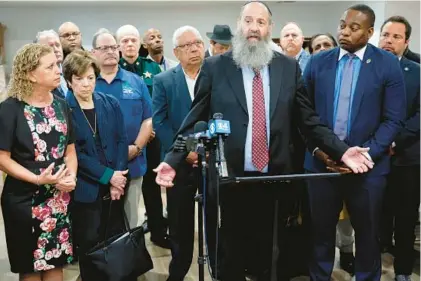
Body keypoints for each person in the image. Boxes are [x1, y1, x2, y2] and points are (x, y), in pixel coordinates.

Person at [154, 1, 374, 280]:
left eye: (260, 22)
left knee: (268, 255)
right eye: (248, 21)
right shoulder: (215, 68)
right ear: (239, 25)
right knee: (231, 254)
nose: (254, 28)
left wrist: (341, 152)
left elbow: (308, 122)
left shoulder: (288, 68)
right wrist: (172, 161)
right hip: (231, 181)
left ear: (270, 28)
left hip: (275, 180)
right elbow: (192, 122)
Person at [303, 4, 406, 281]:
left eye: (354, 27)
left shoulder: (387, 65)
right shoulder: (317, 62)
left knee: (368, 236)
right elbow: (304, 114)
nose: (344, 31)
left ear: (370, 32)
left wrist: (362, 156)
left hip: (368, 169)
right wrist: (321, 151)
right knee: (321, 234)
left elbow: (393, 120)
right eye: (342, 25)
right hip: (322, 165)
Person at [0, 43, 77, 281]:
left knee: (57, 261)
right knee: (30, 267)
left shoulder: (61, 104)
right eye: (51, 66)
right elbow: (2, 158)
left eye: (57, 64)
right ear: (31, 74)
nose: (58, 70)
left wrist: (71, 176)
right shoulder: (10, 109)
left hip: (58, 198)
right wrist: (37, 179)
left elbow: (71, 150)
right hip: (23, 199)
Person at [153, 25, 220, 281]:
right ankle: (179, 272)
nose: (194, 49)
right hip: (178, 165)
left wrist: (203, 151)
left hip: (211, 160)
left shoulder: (216, 75)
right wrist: (187, 152)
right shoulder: (163, 81)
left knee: (214, 220)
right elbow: (160, 123)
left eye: (197, 43)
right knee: (179, 223)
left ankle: (217, 269)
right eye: (186, 45)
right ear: (175, 52)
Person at [63, 49, 131, 280]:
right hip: (85, 188)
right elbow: (74, 154)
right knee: (89, 243)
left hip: (116, 184)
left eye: (90, 78)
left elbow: (122, 140)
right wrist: (107, 176)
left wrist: (117, 178)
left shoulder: (109, 103)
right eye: (79, 79)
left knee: (114, 239)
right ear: (69, 82)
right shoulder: (64, 109)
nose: (86, 84)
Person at [116, 25, 170, 247]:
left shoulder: (153, 68)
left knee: (152, 186)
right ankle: (120, 237)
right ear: (119, 45)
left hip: (152, 138)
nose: (130, 44)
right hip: (124, 140)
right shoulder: (111, 70)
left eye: (133, 40)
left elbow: (160, 103)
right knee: (122, 187)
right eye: (125, 41)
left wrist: (151, 130)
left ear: (141, 44)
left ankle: (157, 231)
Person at [309, 32, 355, 275]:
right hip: (318, 161)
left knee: (348, 219)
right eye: (317, 46)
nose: (323, 49)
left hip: (354, 158)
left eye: (328, 44)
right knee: (321, 224)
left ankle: (347, 252)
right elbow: (303, 119)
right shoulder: (310, 77)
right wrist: (319, 151)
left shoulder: (351, 73)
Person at [378, 16, 420, 281]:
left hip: (406, 157)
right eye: (385, 35)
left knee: (404, 220)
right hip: (373, 156)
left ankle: (403, 271)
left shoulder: (417, 72)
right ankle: (371, 265)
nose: (389, 41)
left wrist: (394, 142)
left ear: (406, 42)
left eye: (395, 37)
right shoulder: (367, 68)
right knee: (374, 216)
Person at [35, 30, 68, 98]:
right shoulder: (36, 79)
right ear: (38, 53)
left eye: (57, 45)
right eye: (50, 46)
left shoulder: (71, 71)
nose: (56, 49)